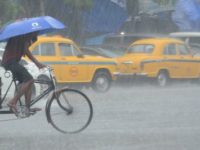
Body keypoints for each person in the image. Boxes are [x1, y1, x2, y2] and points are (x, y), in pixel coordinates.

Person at [1, 32, 46, 115]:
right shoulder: (25, 35)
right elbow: (26, 50)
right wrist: (37, 63)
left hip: (10, 62)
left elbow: (24, 49)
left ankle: (27, 108)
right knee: (30, 80)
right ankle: (13, 102)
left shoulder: (21, 35)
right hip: (11, 62)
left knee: (28, 81)